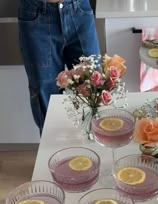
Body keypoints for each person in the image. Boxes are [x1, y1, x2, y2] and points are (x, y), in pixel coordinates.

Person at [18, 0, 100, 134]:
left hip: (79, 10)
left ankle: (95, 152)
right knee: (46, 95)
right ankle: (55, 151)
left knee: (93, 87)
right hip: (36, 13)